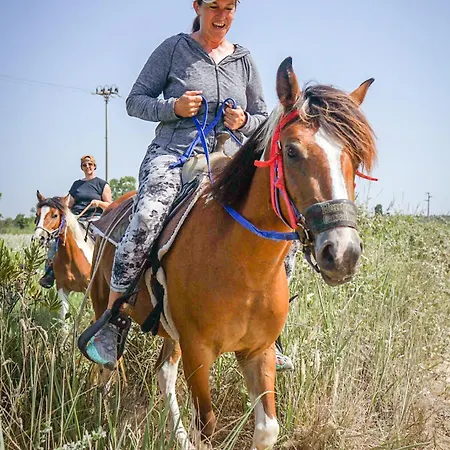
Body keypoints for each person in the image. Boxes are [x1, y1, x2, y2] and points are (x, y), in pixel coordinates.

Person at [80, 0, 295, 371]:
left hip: (227, 160)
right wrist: (173, 108)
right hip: (172, 156)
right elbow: (135, 101)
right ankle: (113, 322)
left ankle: (267, 333)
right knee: (147, 216)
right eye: (214, 6)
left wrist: (243, 120)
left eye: (229, 7)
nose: (221, 15)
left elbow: (264, 119)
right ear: (197, 6)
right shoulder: (173, 48)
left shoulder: (243, 60)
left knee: (281, 224)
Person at [39, 155, 112, 288]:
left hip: (94, 219)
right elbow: (69, 203)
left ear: (94, 166)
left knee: (100, 242)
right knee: (56, 240)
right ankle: (49, 273)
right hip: (77, 218)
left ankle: (104, 272)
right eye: (84, 165)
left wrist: (99, 203)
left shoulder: (102, 184)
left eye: (90, 164)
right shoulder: (76, 185)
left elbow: (110, 205)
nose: (87, 167)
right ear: (81, 168)